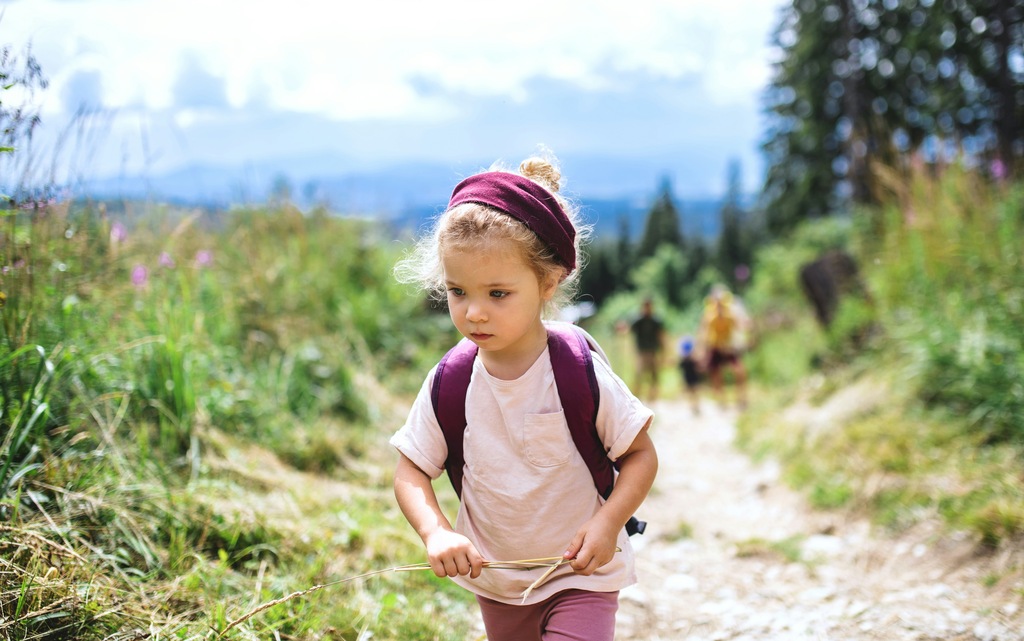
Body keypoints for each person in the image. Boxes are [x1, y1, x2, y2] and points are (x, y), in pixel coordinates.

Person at [390, 153, 659, 641]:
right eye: (457, 291)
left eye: (497, 294)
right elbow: (411, 469)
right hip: (497, 581)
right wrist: (436, 531)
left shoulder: (577, 370)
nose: (474, 313)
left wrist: (607, 524)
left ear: (548, 283)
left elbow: (640, 455)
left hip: (583, 574)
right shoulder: (450, 380)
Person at [697, 284, 749, 409]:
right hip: (715, 346)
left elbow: (739, 326)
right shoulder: (709, 315)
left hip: (728, 346)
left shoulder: (730, 314)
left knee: (739, 371)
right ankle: (721, 400)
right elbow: (704, 332)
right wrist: (702, 351)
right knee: (715, 374)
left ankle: (741, 398)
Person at [629, 298, 665, 402]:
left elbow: (661, 336)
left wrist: (663, 352)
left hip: (653, 351)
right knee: (639, 375)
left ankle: (652, 397)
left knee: (654, 375)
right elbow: (629, 330)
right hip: (642, 352)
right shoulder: (638, 320)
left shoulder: (655, 321)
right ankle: (636, 396)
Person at [677, 335, 702, 415]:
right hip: (688, 379)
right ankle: (693, 406)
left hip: (693, 379)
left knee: (694, 392)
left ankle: (695, 406)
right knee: (691, 393)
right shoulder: (684, 361)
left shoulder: (692, 361)